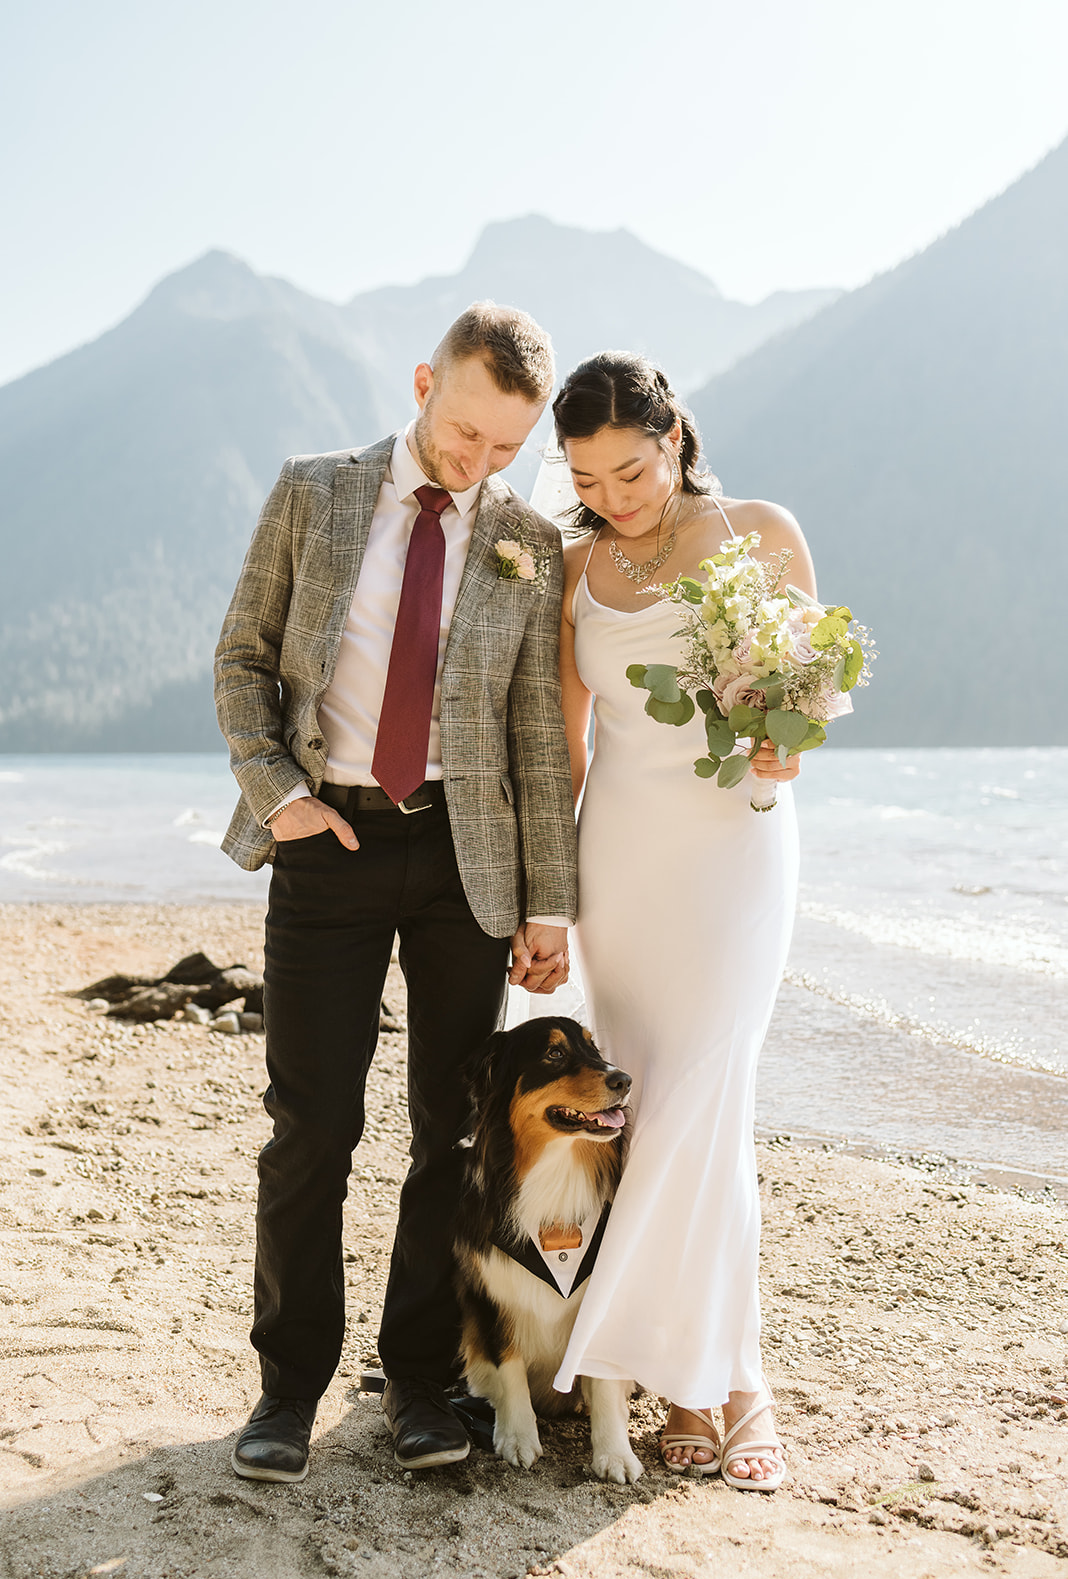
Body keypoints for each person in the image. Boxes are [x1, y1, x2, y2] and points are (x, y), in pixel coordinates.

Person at [214, 303, 577, 1483]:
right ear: (426, 382)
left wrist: (546, 903)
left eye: (504, 450)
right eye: (464, 432)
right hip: (331, 845)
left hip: (464, 864)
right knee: (313, 1126)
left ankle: (419, 1380)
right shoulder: (315, 492)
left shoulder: (529, 540)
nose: (476, 465)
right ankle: (287, 1388)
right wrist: (281, 793)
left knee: (457, 1134)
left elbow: (534, 735)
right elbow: (243, 657)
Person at [542, 351, 813, 1488]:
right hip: (623, 864)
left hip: (734, 851)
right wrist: (549, 898)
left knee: (711, 1092)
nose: (615, 494)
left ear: (675, 436)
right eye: (589, 476)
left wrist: (785, 739)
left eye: (632, 466)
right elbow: (569, 745)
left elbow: (805, 704)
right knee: (652, 1108)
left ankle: (728, 1379)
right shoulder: (570, 566)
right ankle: (690, 1374)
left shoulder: (761, 530)